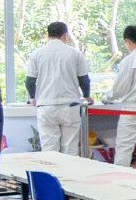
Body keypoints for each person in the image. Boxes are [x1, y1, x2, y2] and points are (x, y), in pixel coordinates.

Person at [26, 21, 90, 154]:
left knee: (49, 150)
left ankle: (52, 168)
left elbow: (30, 81)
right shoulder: (75, 54)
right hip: (70, 106)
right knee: (70, 148)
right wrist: (87, 96)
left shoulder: (37, 54)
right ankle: (70, 168)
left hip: (46, 106)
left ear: (48, 35)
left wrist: (32, 97)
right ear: (65, 35)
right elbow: (84, 79)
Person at [105, 25, 136, 168]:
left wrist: (107, 98)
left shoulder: (129, 60)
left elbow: (119, 89)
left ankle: (121, 179)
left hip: (132, 110)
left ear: (128, 41)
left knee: (124, 149)